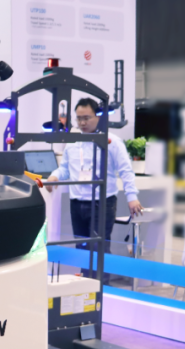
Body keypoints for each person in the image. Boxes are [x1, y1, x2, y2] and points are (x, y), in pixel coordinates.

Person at [45, 98, 143, 254]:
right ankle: (84, 271)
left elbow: (126, 170)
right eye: (79, 118)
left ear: (98, 116)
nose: (82, 123)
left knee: (99, 251)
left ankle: (103, 272)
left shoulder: (112, 141)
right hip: (76, 204)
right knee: (81, 249)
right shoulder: (72, 142)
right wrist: (54, 176)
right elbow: (65, 169)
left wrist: (132, 197)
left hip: (102, 204)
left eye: (86, 118)